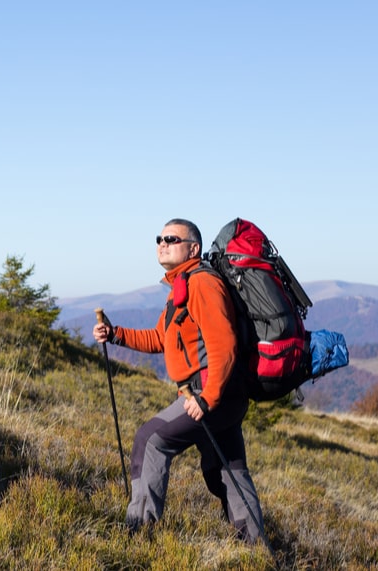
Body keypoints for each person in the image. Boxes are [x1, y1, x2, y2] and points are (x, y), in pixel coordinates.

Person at [93, 218, 265, 542]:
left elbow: (224, 345)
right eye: (160, 238)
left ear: (193, 248)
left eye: (172, 238)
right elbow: (160, 338)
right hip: (223, 396)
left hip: (208, 394)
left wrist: (207, 398)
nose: (163, 242)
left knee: (151, 440)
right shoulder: (181, 287)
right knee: (229, 472)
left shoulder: (202, 284)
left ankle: (138, 536)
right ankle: (256, 549)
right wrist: (115, 334)